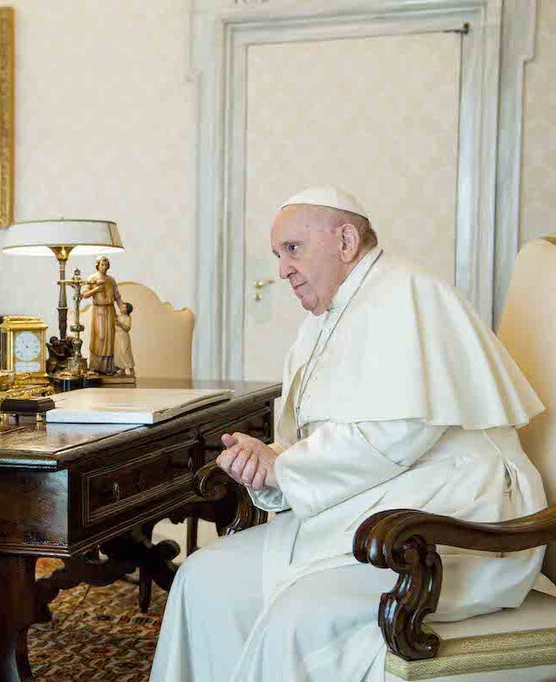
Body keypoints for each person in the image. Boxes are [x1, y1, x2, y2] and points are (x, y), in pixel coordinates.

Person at [150, 186, 549, 682]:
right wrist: (266, 461)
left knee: (297, 617)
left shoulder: (408, 293)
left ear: (345, 240)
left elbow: (396, 434)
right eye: (278, 255)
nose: (282, 269)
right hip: (372, 507)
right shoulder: (321, 321)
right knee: (201, 580)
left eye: (292, 249)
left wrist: (282, 466)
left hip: (456, 522)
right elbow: (309, 442)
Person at [81, 256, 123, 374]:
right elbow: (84, 294)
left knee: (111, 338)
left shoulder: (111, 280)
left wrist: (122, 309)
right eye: (102, 265)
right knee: (100, 337)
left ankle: (110, 367)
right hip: (99, 311)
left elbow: (117, 296)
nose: (104, 267)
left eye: (106, 265)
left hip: (110, 310)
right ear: (97, 265)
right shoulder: (92, 278)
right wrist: (97, 290)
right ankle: (97, 366)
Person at [114, 301, 134, 377]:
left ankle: (131, 370)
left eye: (124, 307)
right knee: (118, 353)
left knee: (125, 352)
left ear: (127, 310)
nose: (121, 307)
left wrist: (120, 324)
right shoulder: (118, 316)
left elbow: (127, 328)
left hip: (123, 337)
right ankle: (122, 370)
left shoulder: (128, 318)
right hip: (117, 336)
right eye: (121, 306)